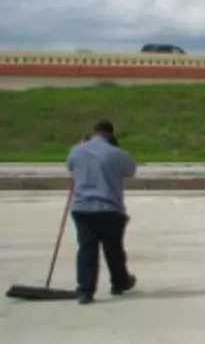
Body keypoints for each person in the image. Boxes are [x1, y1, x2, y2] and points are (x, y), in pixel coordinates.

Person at [65, 120, 138, 304]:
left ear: (94, 132)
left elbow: (70, 167)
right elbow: (131, 170)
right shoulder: (116, 153)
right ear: (111, 134)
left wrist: (80, 146)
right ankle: (119, 282)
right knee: (113, 248)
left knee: (86, 248)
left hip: (82, 207)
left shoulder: (77, 150)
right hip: (109, 208)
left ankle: (85, 290)